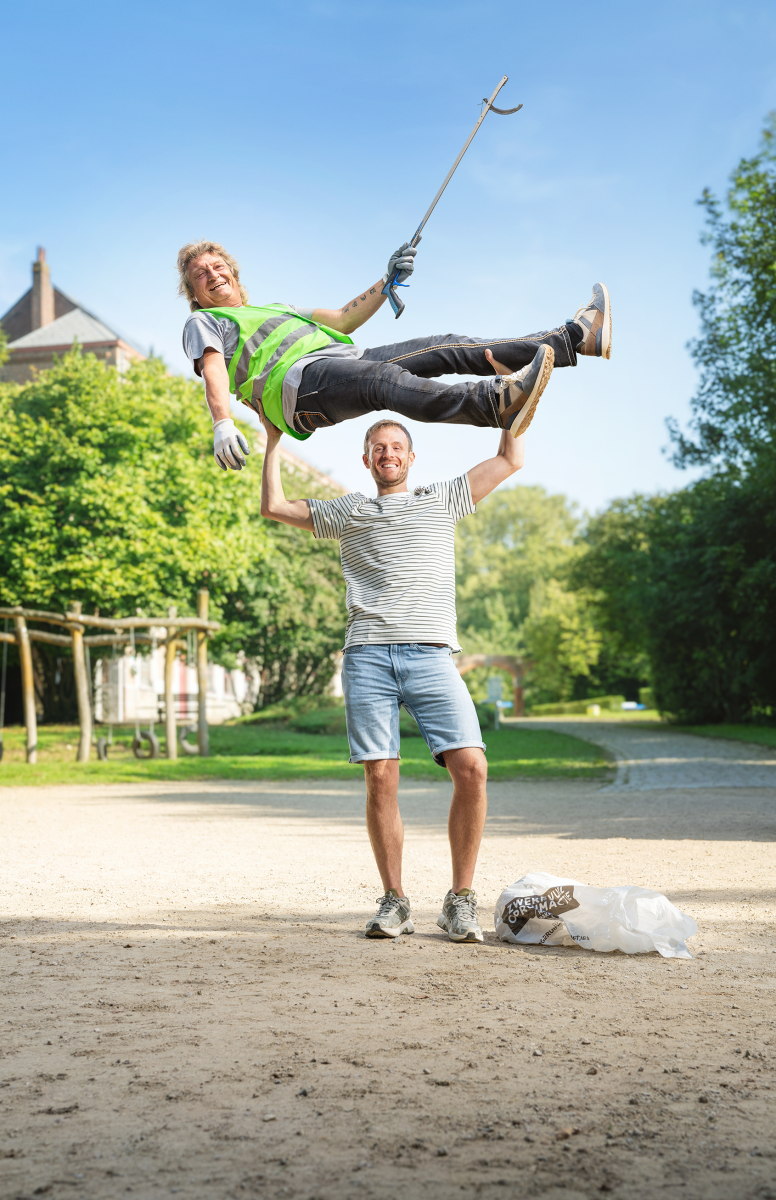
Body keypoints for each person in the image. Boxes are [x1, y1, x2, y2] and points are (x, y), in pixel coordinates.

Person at [256, 388, 538, 943]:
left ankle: (460, 900)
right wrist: (271, 442)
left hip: (432, 654)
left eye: (396, 446)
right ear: (366, 460)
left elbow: (510, 459)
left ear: (411, 458)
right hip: (368, 656)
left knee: (473, 768)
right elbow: (274, 507)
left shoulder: (442, 498)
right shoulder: (347, 511)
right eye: (377, 447)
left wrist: (518, 404)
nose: (387, 454)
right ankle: (396, 902)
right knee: (381, 777)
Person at [176, 239, 611, 471]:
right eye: (201, 275)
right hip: (299, 388)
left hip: (345, 359)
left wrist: (386, 283)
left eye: (218, 266)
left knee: (443, 346)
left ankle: (575, 338)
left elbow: (343, 319)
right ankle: (493, 402)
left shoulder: (275, 309)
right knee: (382, 383)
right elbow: (213, 369)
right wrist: (222, 422)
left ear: (232, 272)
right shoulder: (203, 323)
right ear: (194, 294)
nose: (213, 274)